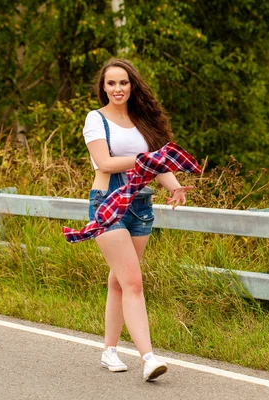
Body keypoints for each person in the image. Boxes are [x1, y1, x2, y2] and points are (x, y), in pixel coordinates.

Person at [82, 58, 193, 381]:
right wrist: (147, 159)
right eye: (112, 83)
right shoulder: (95, 119)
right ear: (103, 87)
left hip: (141, 205)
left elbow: (157, 165)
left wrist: (174, 186)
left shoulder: (141, 121)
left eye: (124, 83)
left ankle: (109, 350)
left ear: (133, 86)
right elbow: (104, 162)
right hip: (108, 204)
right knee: (133, 281)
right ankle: (148, 357)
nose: (118, 88)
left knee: (119, 280)